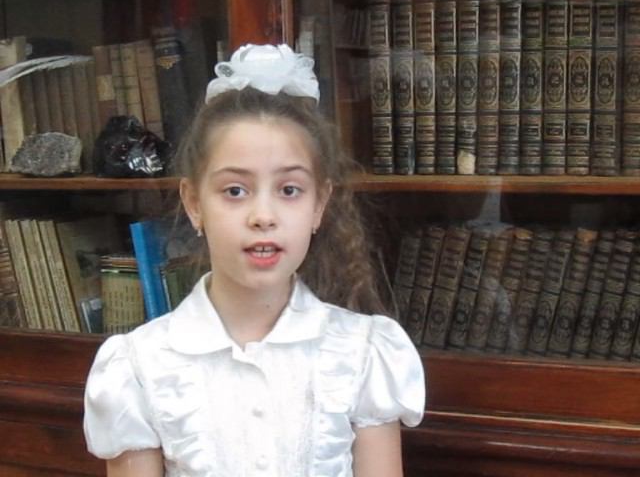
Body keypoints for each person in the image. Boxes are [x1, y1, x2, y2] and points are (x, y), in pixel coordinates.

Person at [83, 43, 425, 477]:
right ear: (194, 203)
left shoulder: (363, 353)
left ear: (319, 204)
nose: (263, 216)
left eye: (289, 190)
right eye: (235, 191)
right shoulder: (139, 366)